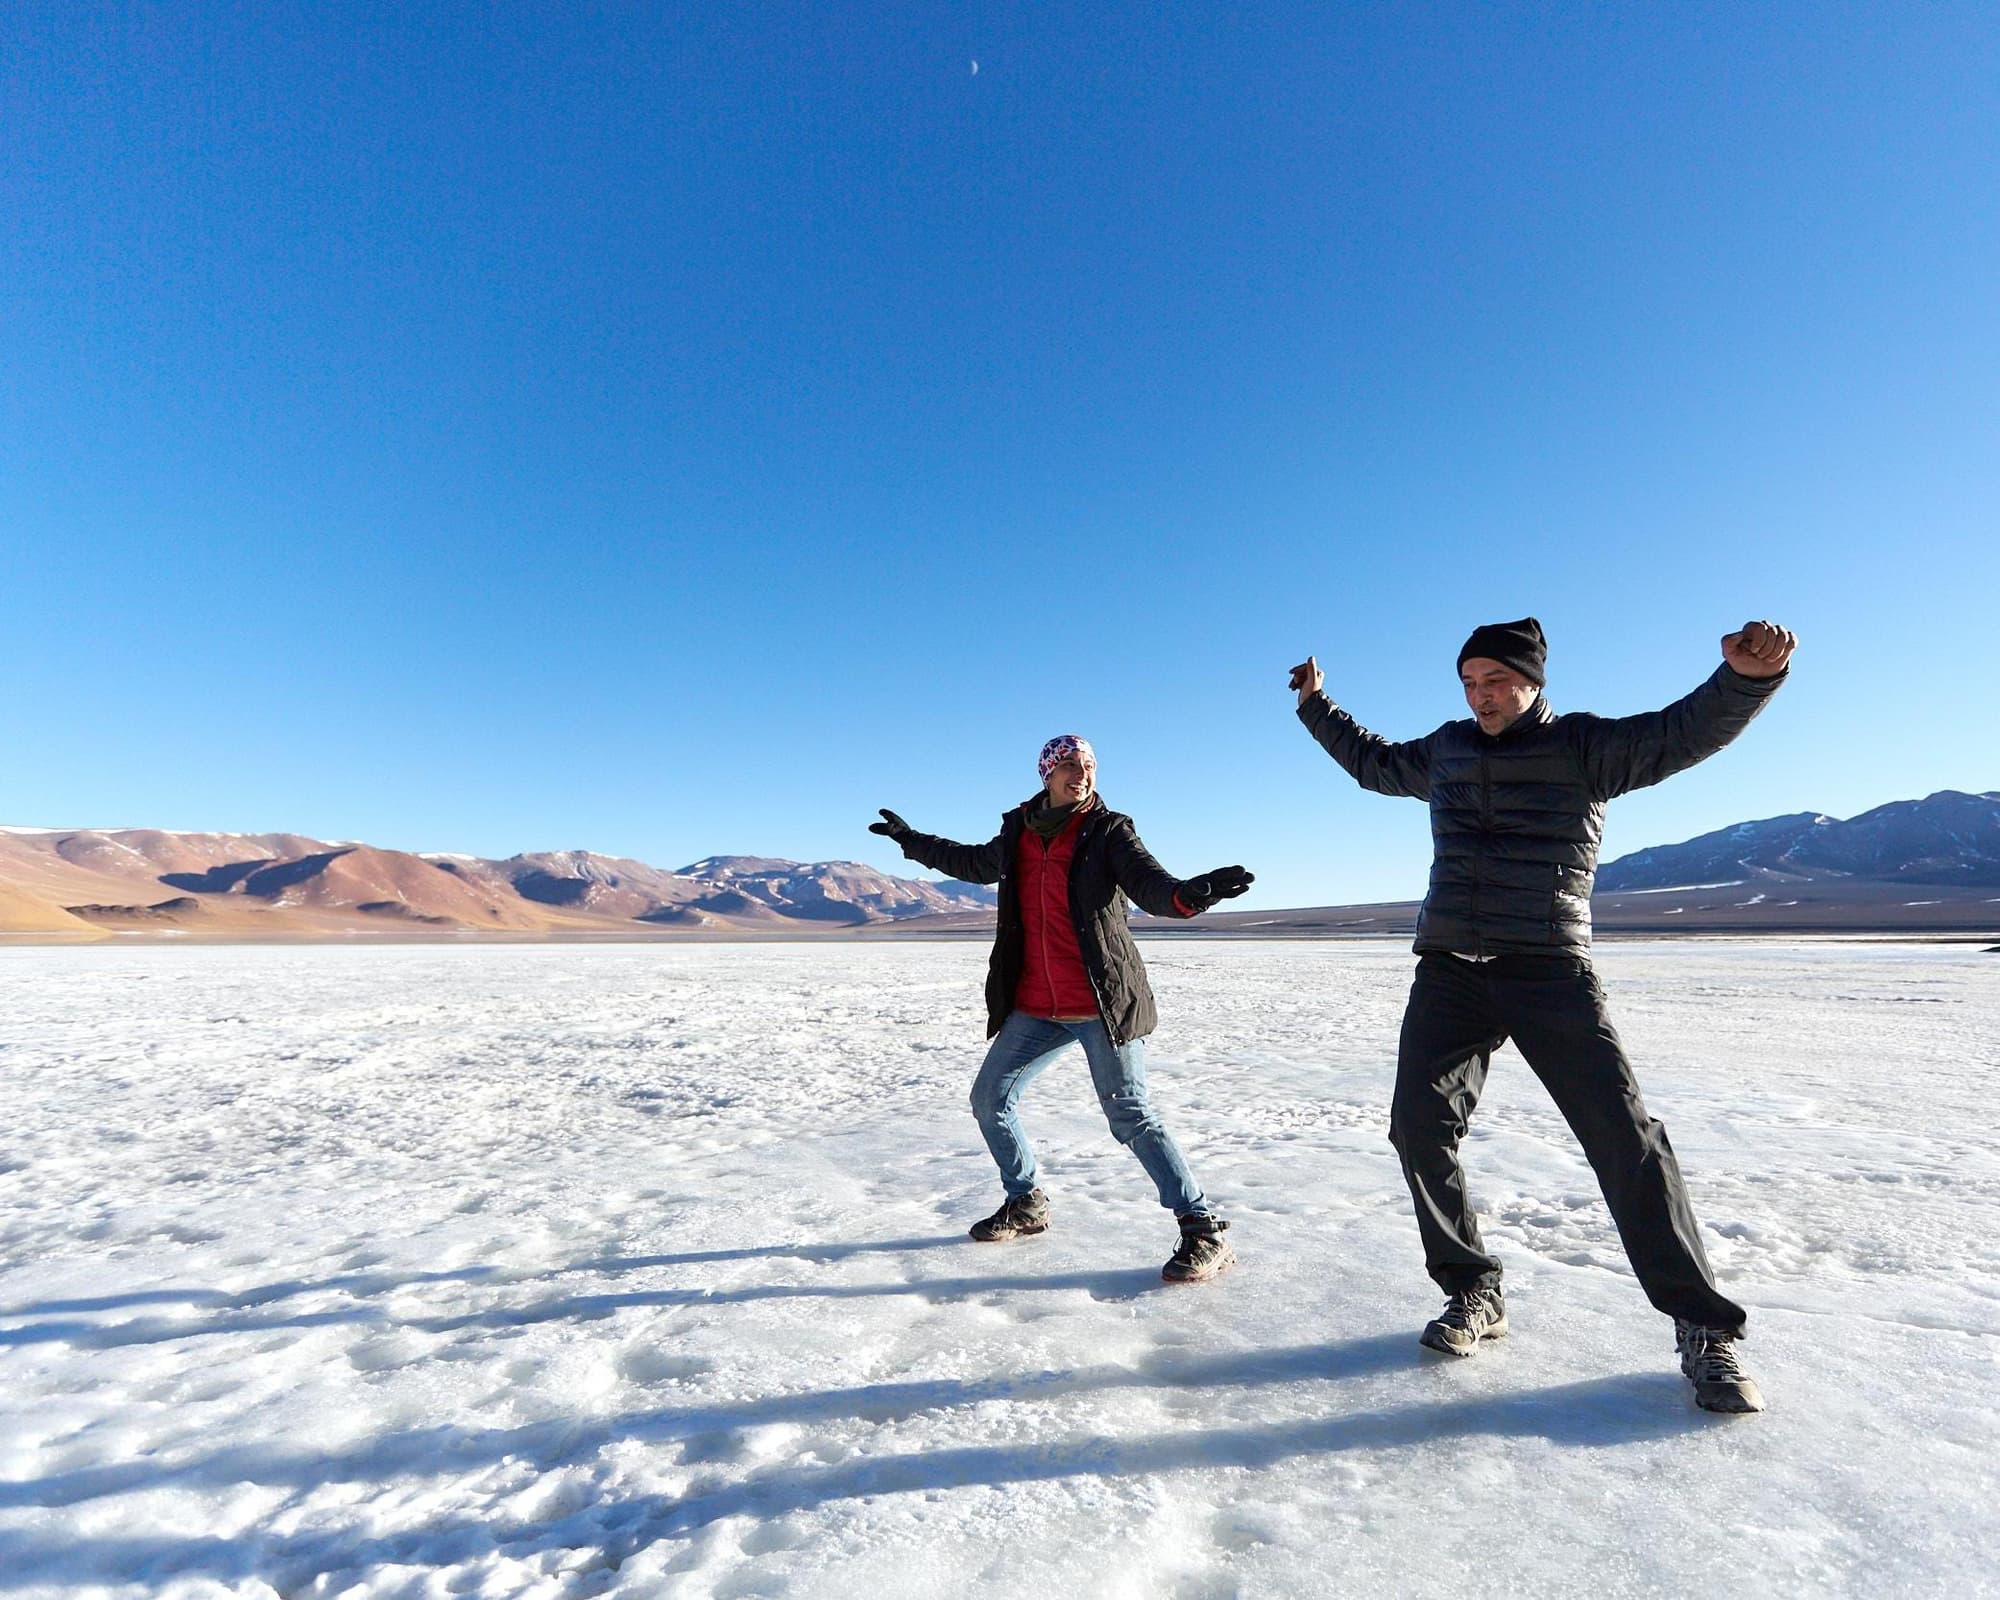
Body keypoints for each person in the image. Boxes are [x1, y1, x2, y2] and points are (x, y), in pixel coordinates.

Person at [1290, 617, 1796, 1413]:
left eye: (1495, 681)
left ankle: (1706, 1330)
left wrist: (1745, 680)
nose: (1480, 696)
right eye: (1469, 683)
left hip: (1548, 966)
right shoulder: (1448, 749)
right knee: (1419, 1127)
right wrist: (1318, 706)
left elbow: (1682, 735)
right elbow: (1374, 764)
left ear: (1532, 683)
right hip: (1452, 967)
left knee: (1624, 1140)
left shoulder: (1585, 748)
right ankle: (1472, 1290)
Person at [870, 734, 1253, 1283]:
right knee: (989, 1099)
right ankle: (1026, 1202)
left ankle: (1203, 1228)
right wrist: (912, 840)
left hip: (1101, 1001)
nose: (1083, 775)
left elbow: (1151, 886)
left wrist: (1193, 895)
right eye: (1071, 765)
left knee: (1130, 1114)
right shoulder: (1019, 830)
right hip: (1037, 1005)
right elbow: (973, 864)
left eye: (1090, 766)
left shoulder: (1108, 830)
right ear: (1047, 773)